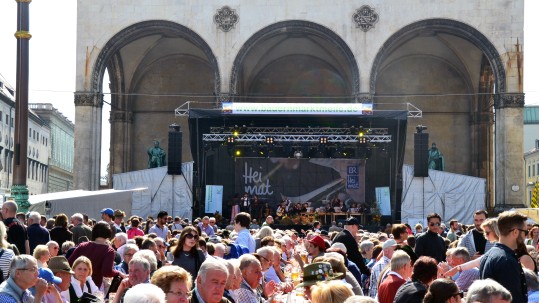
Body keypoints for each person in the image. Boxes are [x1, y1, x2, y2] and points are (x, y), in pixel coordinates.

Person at [479, 210, 528, 303]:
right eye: (525, 232)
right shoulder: (507, 260)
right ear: (515, 232)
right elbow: (513, 299)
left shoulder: (490, 254)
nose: (526, 236)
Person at [68, 221, 122, 288]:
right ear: (109, 233)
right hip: (94, 285)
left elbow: (69, 263)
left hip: (76, 283)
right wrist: (118, 273)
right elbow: (106, 271)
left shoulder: (82, 246)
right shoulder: (109, 251)